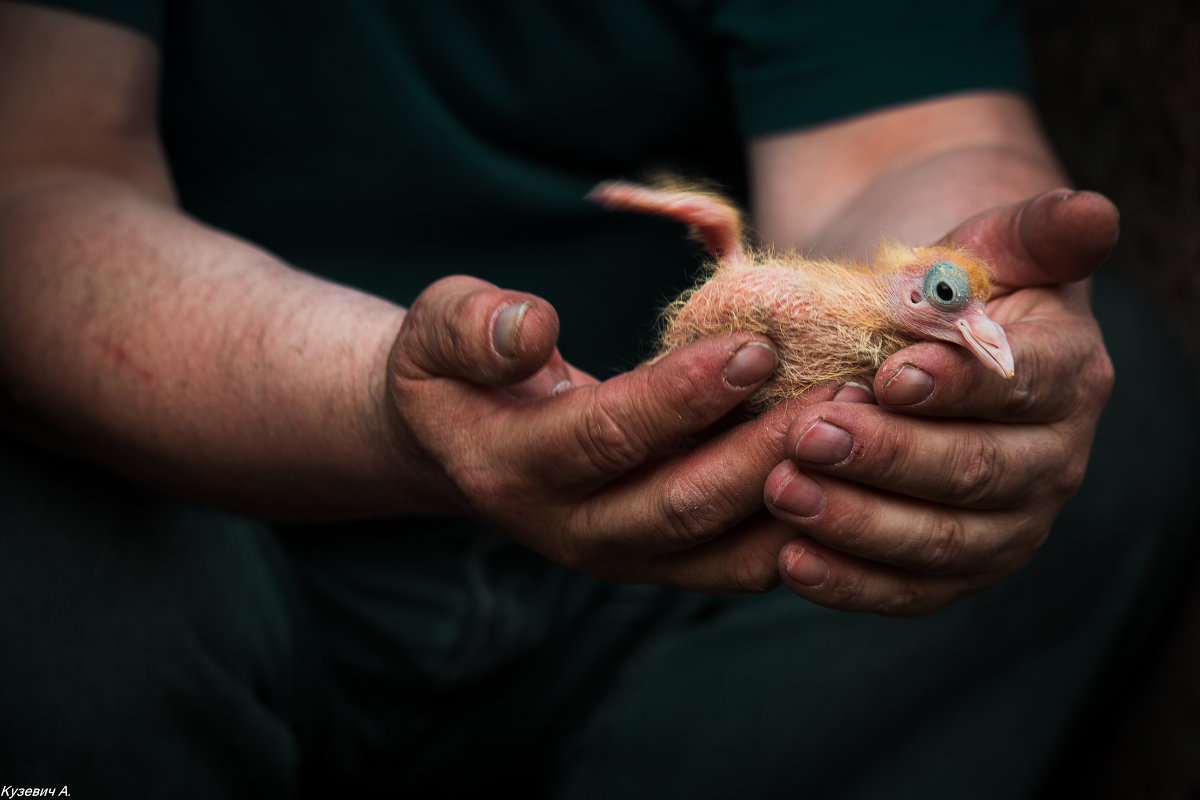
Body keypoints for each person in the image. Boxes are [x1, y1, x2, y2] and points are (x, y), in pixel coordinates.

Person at [0, 1, 1194, 797]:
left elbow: (903, 148)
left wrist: (988, 303)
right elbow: (37, 178)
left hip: (699, 581)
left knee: (1092, 407)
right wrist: (388, 407)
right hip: (218, 523)